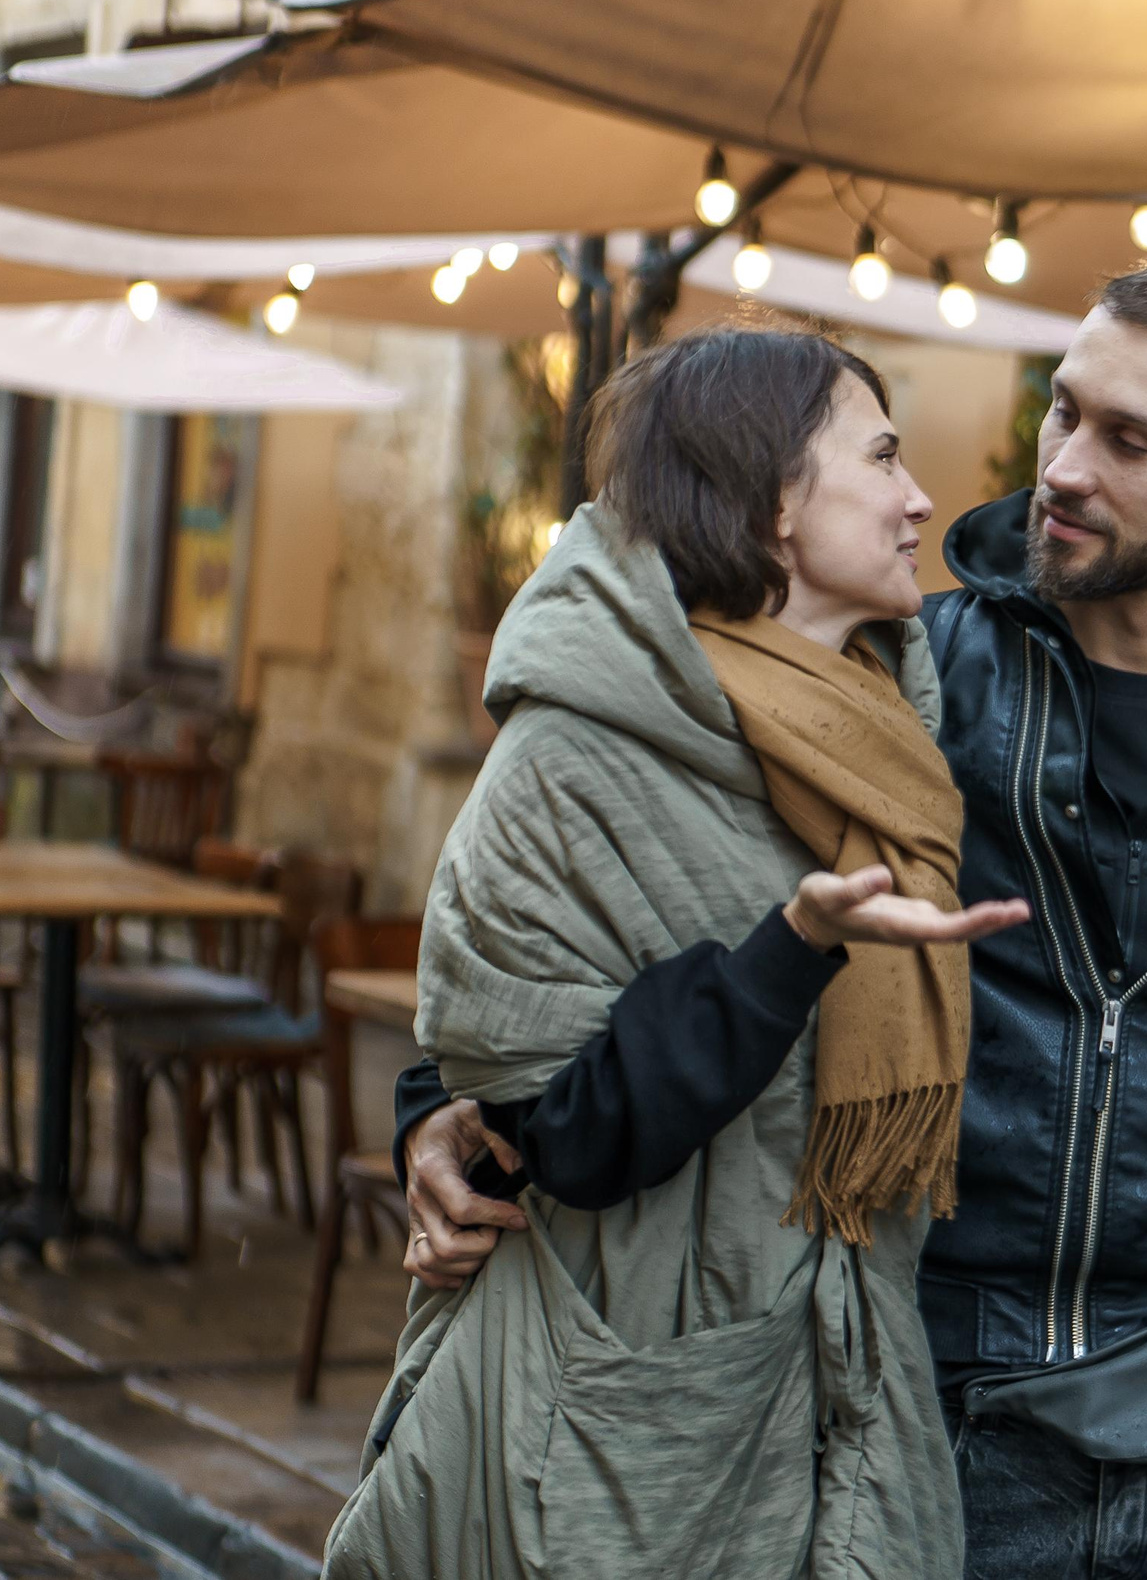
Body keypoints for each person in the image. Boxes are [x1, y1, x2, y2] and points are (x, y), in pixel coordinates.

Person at [400, 253, 1147, 1577]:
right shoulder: (908, 674)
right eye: (1066, 409)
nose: (1063, 465)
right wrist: (443, 1099)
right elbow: (634, 873)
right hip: (944, 1378)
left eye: (1131, 440)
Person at [325, 326, 1026, 1580]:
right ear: (772, 509)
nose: (923, 496)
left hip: (845, 1388)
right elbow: (559, 1126)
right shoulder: (572, 753)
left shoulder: (893, 734)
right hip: (624, 1428)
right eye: (882, 456)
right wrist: (792, 947)